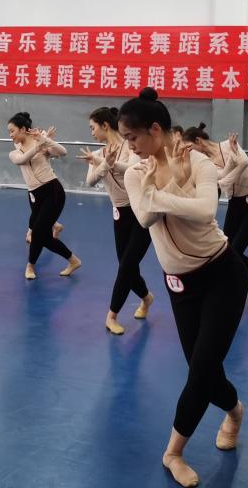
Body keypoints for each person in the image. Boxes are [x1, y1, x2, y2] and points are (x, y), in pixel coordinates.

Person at [120, 89, 248, 487]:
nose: (130, 146)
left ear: (155, 130)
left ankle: (173, 452)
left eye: (133, 138)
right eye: (126, 139)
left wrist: (165, 189)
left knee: (201, 370)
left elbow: (205, 210)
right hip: (180, 286)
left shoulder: (198, 161)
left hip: (222, 275)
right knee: (203, 371)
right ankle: (235, 410)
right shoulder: (135, 171)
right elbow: (144, 218)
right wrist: (169, 190)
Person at [79, 106, 152, 335]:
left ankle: (111, 316)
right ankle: (146, 297)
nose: (91, 133)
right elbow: (91, 180)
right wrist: (101, 162)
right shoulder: (97, 154)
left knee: (127, 265)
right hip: (120, 214)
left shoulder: (130, 146)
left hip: (140, 211)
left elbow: (133, 169)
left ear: (105, 125)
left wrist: (109, 163)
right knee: (126, 265)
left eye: (93, 127)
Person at [182, 124, 248, 299]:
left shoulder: (228, 144)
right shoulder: (207, 163)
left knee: (235, 251)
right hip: (235, 204)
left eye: (190, 148)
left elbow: (244, 163)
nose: (190, 153)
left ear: (198, 140)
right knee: (227, 250)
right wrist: (228, 173)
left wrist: (225, 178)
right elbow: (223, 179)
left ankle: (237, 289)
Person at [7, 113, 80, 280]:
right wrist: (38, 146)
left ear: (23, 129)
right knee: (43, 235)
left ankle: (30, 265)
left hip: (52, 191)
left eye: (12, 131)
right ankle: (73, 260)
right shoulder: (15, 152)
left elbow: (63, 152)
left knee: (38, 232)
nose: (10, 135)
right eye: (9, 132)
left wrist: (45, 140)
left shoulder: (41, 143)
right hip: (34, 194)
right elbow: (22, 160)